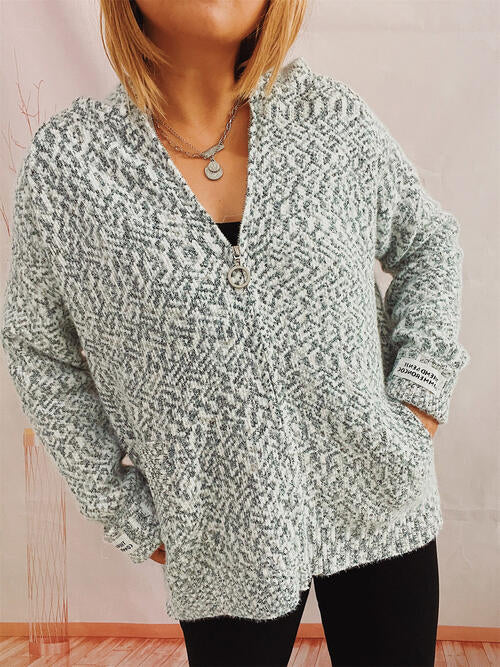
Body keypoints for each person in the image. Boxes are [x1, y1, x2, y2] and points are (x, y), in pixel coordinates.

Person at [1, 0, 469, 665]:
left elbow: (427, 243)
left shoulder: (329, 121)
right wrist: (128, 511)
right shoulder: (69, 169)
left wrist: (419, 396)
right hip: (215, 535)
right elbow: (38, 350)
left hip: (381, 498)